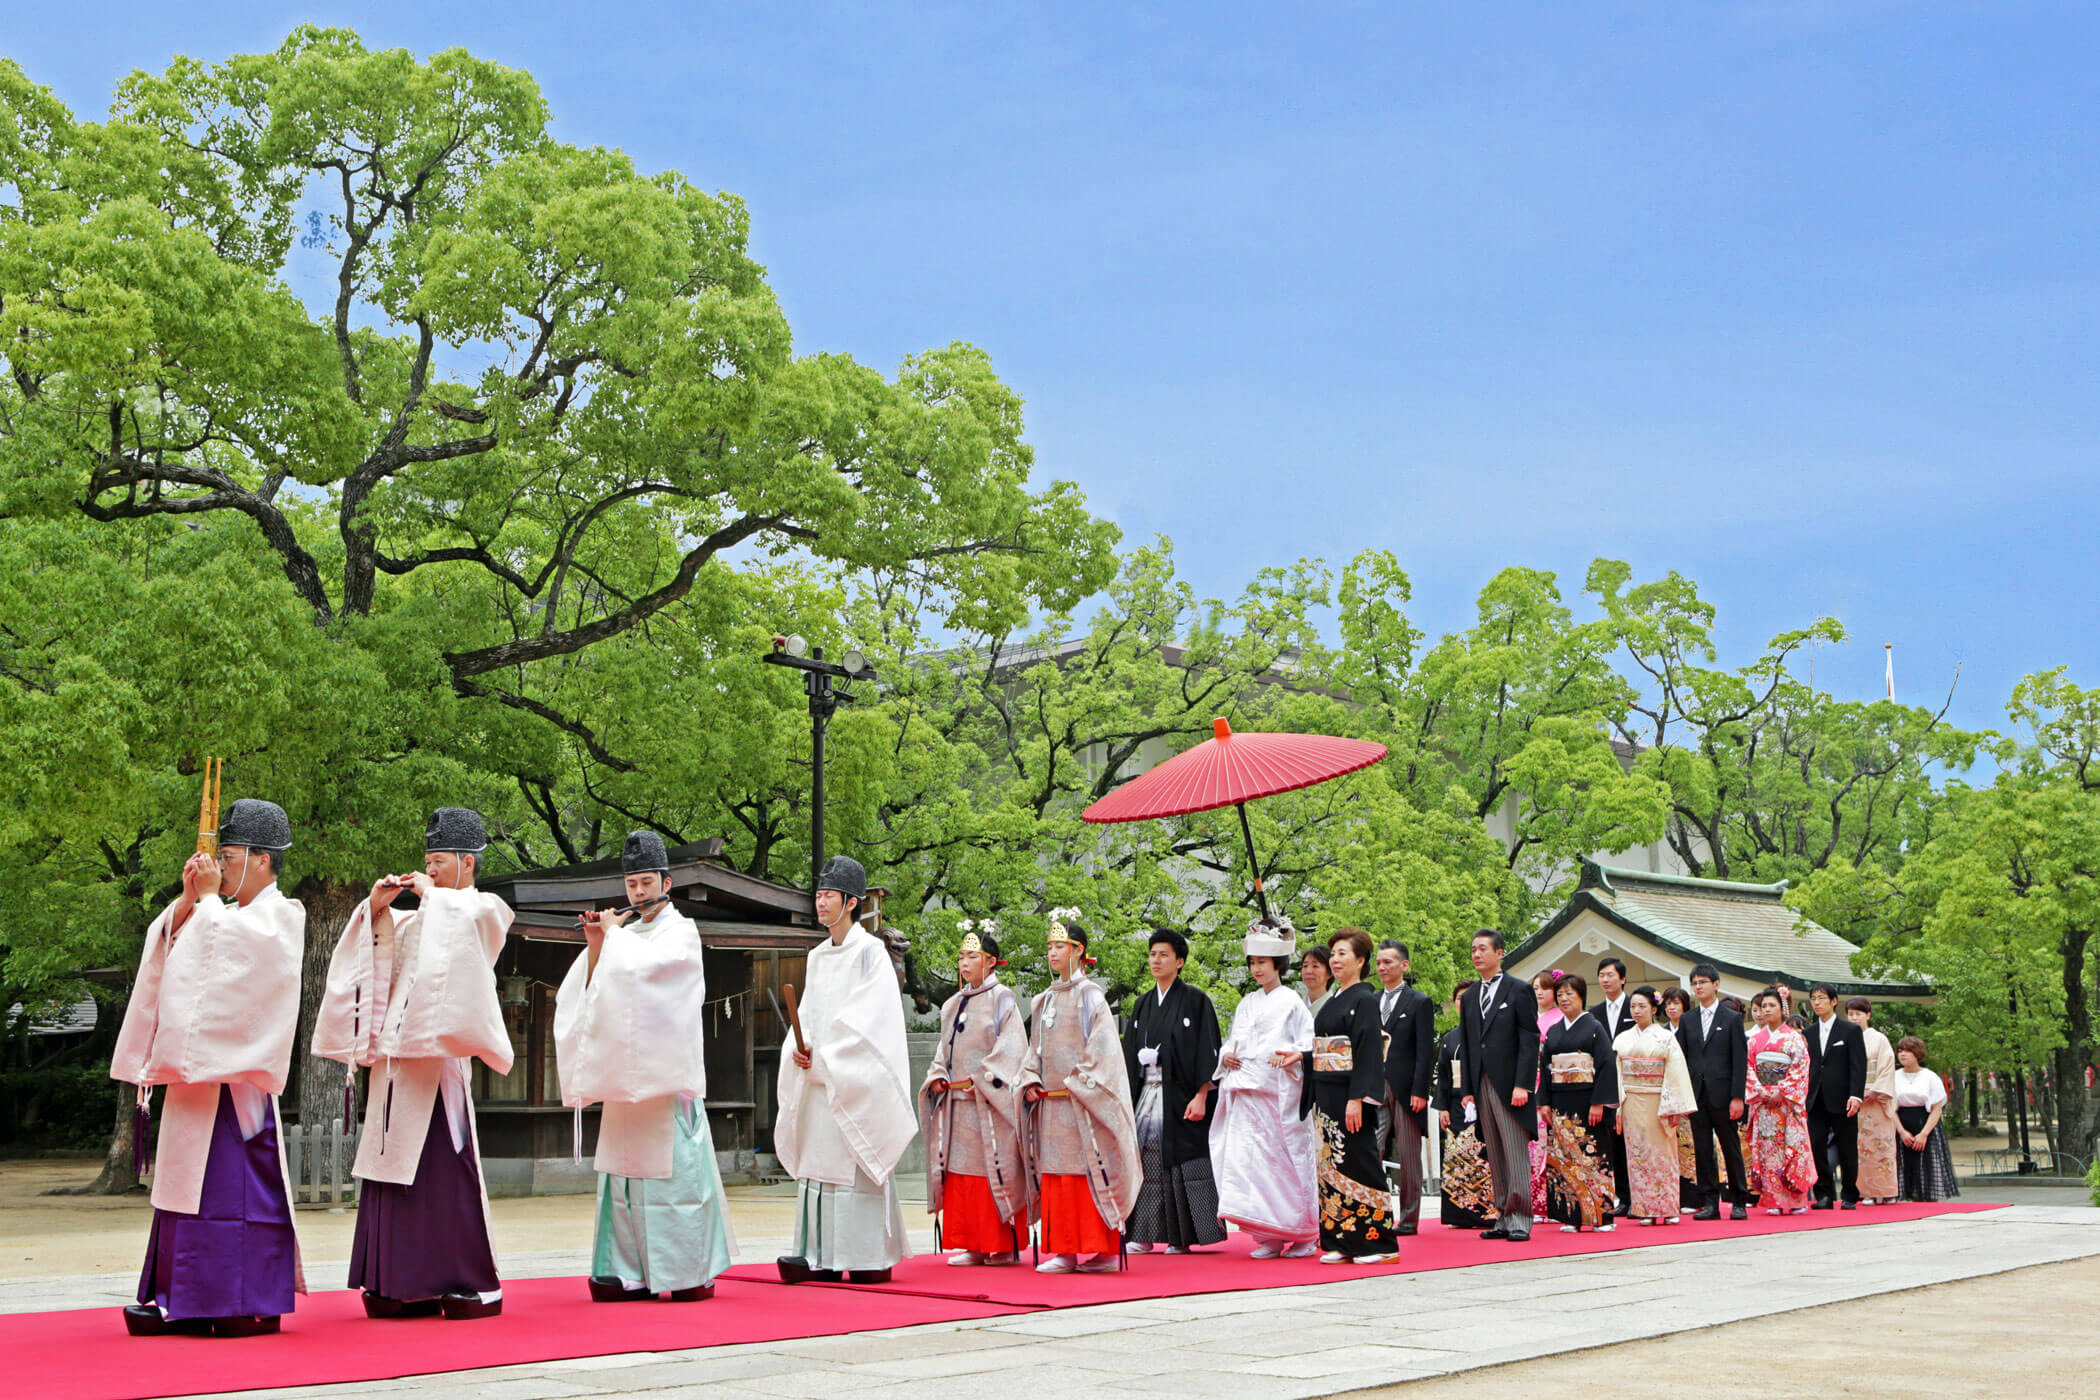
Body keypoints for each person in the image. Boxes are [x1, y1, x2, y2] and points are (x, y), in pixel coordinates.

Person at [114, 799, 304, 1338]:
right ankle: (181, 1295)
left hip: (234, 1083)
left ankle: (237, 1300)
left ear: (262, 861)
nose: (219, 866)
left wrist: (206, 901)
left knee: (229, 1188)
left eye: (230, 855)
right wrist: (187, 900)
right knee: (182, 1188)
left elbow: (235, 960)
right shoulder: (225, 911)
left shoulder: (282, 915)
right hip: (198, 1079)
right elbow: (178, 944)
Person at [314, 806, 513, 1320]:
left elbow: (470, 941)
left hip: (437, 1067)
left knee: (441, 1171)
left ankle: (467, 1279)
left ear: (468, 864)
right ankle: (398, 1283)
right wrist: (377, 909)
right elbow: (378, 957)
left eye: (441, 861)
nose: (431, 869)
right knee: (390, 1168)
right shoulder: (421, 915)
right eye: (428, 860)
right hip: (395, 1065)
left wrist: (433, 898)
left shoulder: (483, 909)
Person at [555, 831, 734, 1303]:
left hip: (665, 1078)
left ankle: (686, 1270)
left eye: (646, 882)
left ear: (667, 882)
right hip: (625, 1080)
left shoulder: (681, 931)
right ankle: (626, 1270)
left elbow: (654, 977)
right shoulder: (625, 934)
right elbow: (592, 994)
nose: (638, 892)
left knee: (674, 1178)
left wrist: (612, 938)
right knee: (625, 1180)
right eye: (631, 884)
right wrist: (597, 943)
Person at [775, 856, 914, 1284]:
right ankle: (820, 1255)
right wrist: (799, 1051)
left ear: (851, 902)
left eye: (828, 896)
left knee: (852, 1154)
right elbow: (812, 1013)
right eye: (817, 896)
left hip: (851, 1078)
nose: (820, 903)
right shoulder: (817, 956)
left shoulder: (871, 953)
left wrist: (827, 1058)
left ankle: (868, 1255)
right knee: (820, 1156)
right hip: (818, 1076)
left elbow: (870, 1022)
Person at [1023, 913, 1139, 1273]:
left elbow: (1103, 1049)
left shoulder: (1091, 996)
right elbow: (1034, 1050)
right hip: (1052, 1104)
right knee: (1057, 1174)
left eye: (1059, 946)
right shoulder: (1043, 1000)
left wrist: (1079, 1082)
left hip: (1081, 1101)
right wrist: (1029, 1078)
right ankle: (1065, 1251)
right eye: (1049, 947)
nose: (1052, 953)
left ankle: (1101, 1251)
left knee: (1088, 1171)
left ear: (1079, 950)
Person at [921, 921, 1030, 1266]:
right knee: (960, 1173)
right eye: (961, 957)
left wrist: (983, 1078)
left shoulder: (1003, 1000)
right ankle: (972, 1244)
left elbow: (1013, 1049)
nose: (964, 963)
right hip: (957, 1104)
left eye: (972, 956)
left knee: (993, 1170)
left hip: (988, 1104)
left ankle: (1003, 1244)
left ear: (991, 961)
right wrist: (938, 1074)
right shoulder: (952, 1004)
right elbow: (944, 1050)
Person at [1210, 916, 1318, 1258]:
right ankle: (1266, 1234)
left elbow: (1308, 1043)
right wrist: (1226, 1055)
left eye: (1263, 962)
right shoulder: (1247, 1002)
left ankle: (1302, 1233)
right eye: (1253, 962)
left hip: (1279, 1095)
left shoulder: (1292, 1001)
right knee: (1250, 1166)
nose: (1257, 969)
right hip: (1246, 1095)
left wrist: (1296, 1056)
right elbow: (1233, 1041)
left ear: (1277, 964)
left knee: (1284, 1162)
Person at [1123, 930, 1224, 1253]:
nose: (1156, 960)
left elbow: (1208, 1051)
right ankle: (1143, 1233)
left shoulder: (1196, 1001)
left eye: (1164, 954)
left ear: (1179, 962)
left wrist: (1202, 1094)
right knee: (1145, 1159)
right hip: (1147, 1093)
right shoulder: (1142, 1004)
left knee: (1182, 1163)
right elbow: (1128, 1053)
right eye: (1153, 954)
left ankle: (1182, 1237)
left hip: (1182, 1096)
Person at [1305, 928, 1399, 1262]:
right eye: (1333, 954)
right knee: (1331, 1165)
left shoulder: (1365, 999)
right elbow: (1322, 1049)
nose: (1335, 959)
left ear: (1361, 960)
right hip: (1327, 1094)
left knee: (1360, 1162)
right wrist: (1300, 1057)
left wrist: (1358, 1097)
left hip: (1349, 1094)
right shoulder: (1334, 1001)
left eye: (1343, 953)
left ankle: (1380, 1243)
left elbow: (1368, 1051)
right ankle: (1341, 1241)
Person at [1459, 929, 1540, 1242]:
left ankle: (1520, 1217)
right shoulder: (1468, 997)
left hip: (1510, 1084)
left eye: (1482, 949)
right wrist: (1467, 1089)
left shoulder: (1518, 990)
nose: (1477, 954)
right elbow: (1467, 1045)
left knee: (1514, 1150)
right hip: (1481, 1083)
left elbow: (1529, 1039)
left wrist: (1523, 1084)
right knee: (1494, 1151)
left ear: (1499, 952)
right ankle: (1503, 1214)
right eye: (1473, 949)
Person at [1611, 986, 1696, 1225]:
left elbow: (1676, 1073)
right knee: (1637, 1155)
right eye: (1633, 1006)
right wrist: (1618, 1104)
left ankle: (1668, 1207)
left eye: (1642, 1006)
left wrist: (1672, 1107)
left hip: (1659, 1101)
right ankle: (1644, 1208)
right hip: (1631, 1101)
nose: (1636, 1011)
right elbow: (1617, 1074)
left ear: (1654, 1009)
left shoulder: (1666, 1038)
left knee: (1662, 1154)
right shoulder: (1622, 1039)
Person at [1540, 973, 1618, 1234]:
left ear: (1581, 996)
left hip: (1587, 1100)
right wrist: (1545, 1102)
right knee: (1564, 1156)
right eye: (1560, 994)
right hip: (1561, 1099)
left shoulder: (1594, 1028)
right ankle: (1571, 1215)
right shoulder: (1554, 1031)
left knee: (1594, 1155)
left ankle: (1601, 1215)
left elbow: (1606, 1065)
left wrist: (1599, 1102)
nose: (1563, 999)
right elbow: (1545, 1066)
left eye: (1569, 994)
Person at [1677, 964, 1750, 1221]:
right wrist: (1683, 1097)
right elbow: (1682, 1059)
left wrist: (1737, 1096)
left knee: (1731, 1147)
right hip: (1697, 1095)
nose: (1699, 987)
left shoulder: (1731, 1019)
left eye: (1704, 982)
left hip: (1724, 1093)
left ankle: (1739, 1199)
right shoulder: (1687, 1020)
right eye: (1695, 982)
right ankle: (1709, 1201)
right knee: (1703, 1149)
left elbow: (1739, 1060)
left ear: (1716, 985)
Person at [1373, 939, 1436, 1236]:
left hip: (1407, 1086)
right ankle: (1373, 1212)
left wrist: (1420, 1091)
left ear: (1404, 965)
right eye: (1379, 962)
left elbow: (1425, 1051)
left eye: (1388, 962)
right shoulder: (1371, 1001)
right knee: (1372, 1148)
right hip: (1375, 1085)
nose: (1382, 967)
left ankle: (1409, 1218)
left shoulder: (1419, 1002)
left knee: (1409, 1155)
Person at [1743, 989, 1816, 1215]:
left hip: (1786, 1103)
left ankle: (1796, 1199)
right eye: (1763, 1006)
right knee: (1767, 1150)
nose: (1766, 1010)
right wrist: (1761, 1091)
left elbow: (1800, 1068)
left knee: (1791, 1148)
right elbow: (1749, 1069)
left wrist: (1781, 1092)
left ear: (1783, 1009)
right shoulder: (1754, 1040)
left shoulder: (1794, 1038)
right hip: (1764, 1103)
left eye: (1771, 1005)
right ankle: (1773, 1199)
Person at [1436, 980, 1496, 1231]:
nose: (1463, 1002)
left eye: (1468, 997)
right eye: (1459, 998)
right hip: (1456, 1101)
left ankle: (1487, 1210)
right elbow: (1443, 1076)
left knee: (1483, 1155)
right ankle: (1458, 1214)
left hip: (1482, 1100)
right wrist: (1442, 1107)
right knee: (1456, 1158)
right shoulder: (1450, 1038)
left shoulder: (1488, 1034)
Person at [1804, 984, 1867, 1210]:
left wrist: (1856, 1095)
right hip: (1816, 1097)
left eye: (1822, 998)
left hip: (1843, 1097)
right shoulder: (1808, 1033)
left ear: (1833, 1001)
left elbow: (1858, 1065)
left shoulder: (1850, 1030)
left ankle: (1850, 1193)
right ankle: (1824, 1195)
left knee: (1847, 1147)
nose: (1817, 1002)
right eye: (1814, 999)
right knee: (1817, 1146)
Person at [1586, 957, 1635, 1217]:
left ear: (1623, 979)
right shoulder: (1594, 1014)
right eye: (1601, 975)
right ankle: (1621, 1196)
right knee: (1612, 1141)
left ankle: (1637, 1195)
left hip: (1632, 1083)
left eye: (1610, 975)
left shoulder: (1635, 1008)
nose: (1605, 980)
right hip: (1606, 1084)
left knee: (1632, 1141)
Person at [1848, 998, 1900, 1204]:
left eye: (1858, 1013)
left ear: (1868, 1015)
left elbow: (1887, 1069)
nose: (1854, 1018)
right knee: (1859, 1147)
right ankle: (1865, 1191)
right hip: (1855, 1101)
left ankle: (1887, 1191)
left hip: (1876, 1101)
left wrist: (1875, 1090)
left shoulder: (1879, 1039)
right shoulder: (1845, 1038)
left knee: (1881, 1145)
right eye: (1850, 1014)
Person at [1893, 1038, 1959, 1201]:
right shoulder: (1893, 1077)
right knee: (1903, 1164)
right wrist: (1901, 1131)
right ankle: (1905, 1197)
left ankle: (1927, 1199)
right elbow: (1889, 1107)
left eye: (1907, 1051)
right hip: (1901, 1122)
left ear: (1917, 1053)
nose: (1902, 1054)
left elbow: (1937, 1108)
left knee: (1926, 1164)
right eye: (1900, 1051)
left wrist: (1924, 1133)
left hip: (1925, 1121)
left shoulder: (1930, 1077)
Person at [1527, 970, 1564, 1221]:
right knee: (1533, 1148)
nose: (1539, 992)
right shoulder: (1532, 1018)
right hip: (1531, 1087)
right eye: (1536, 988)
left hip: (1550, 1086)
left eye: (1545, 988)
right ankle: (1537, 1204)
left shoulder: (1560, 1020)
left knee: (1551, 1146)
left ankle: (1553, 1203)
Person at [1661, 987, 1701, 1210]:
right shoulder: (1661, 1032)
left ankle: (1692, 1196)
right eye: (1668, 1003)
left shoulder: (1692, 1029)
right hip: (1666, 1094)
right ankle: (1670, 1195)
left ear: (1685, 1005)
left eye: (1676, 1003)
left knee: (1689, 1146)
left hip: (1687, 1092)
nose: (1672, 1007)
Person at [1300, 946, 1334, 1017]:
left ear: (1330, 973)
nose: (1308, 971)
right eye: (1305, 966)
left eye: (1315, 966)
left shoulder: (1334, 1006)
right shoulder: (1296, 1003)